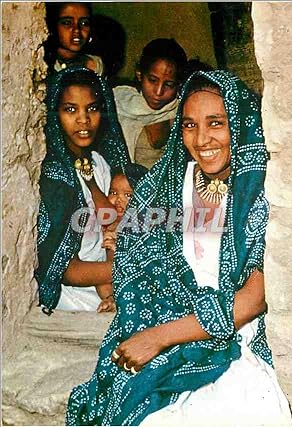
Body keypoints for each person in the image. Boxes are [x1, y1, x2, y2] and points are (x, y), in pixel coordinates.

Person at [65, 70, 292, 426]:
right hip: (165, 319)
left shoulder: (258, 194)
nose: (202, 139)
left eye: (216, 123)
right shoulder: (170, 184)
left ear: (240, 123)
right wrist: (147, 322)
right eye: (189, 125)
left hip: (229, 335)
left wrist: (157, 339)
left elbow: (252, 300)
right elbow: (137, 258)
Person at [35, 66, 130, 315]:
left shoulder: (99, 163)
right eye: (70, 109)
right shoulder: (55, 178)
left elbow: (112, 225)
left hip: (108, 279)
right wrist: (133, 266)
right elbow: (64, 271)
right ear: (55, 113)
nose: (83, 119)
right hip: (75, 296)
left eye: (92, 108)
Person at [113, 38, 187, 169]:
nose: (158, 92)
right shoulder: (119, 101)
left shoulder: (184, 112)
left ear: (179, 85)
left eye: (168, 85)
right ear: (140, 74)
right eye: (152, 80)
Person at [99, 163, 148, 312]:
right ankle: (110, 298)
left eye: (128, 195)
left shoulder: (143, 222)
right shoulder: (105, 221)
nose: (119, 200)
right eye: (113, 193)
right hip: (106, 278)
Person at [44, 2, 104, 75]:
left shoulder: (95, 66)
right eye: (67, 23)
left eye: (84, 23)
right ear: (53, 26)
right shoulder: (43, 65)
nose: (77, 30)